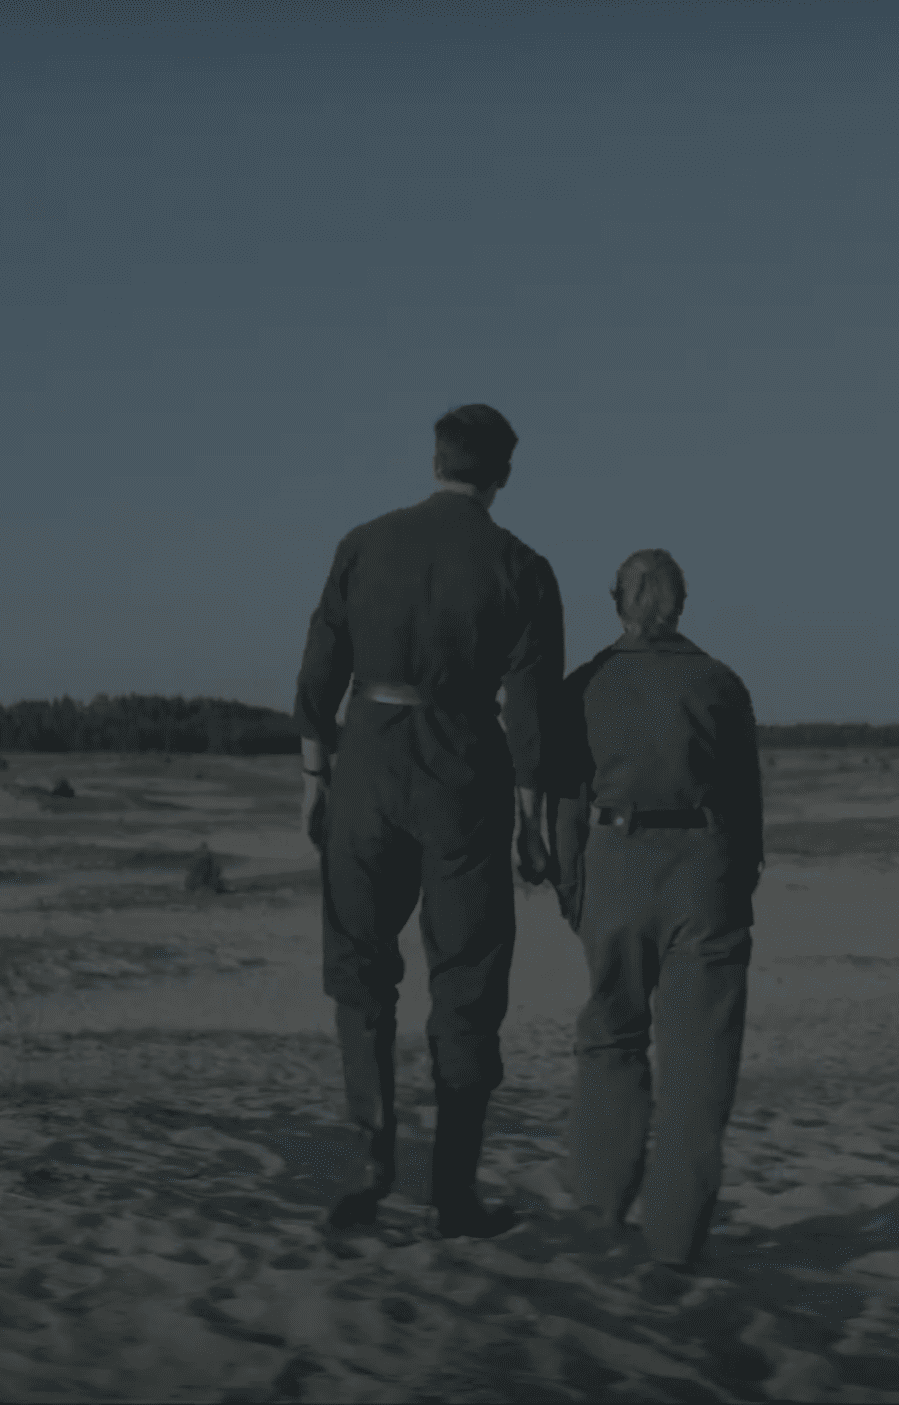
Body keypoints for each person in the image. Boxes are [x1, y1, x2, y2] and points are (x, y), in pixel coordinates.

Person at [294, 403, 564, 1241]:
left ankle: (372, 1156)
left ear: (435, 459)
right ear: (504, 474)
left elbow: (319, 666)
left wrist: (315, 773)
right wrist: (532, 816)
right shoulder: (522, 565)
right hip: (464, 775)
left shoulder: (363, 542)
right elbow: (531, 710)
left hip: (367, 764)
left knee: (360, 970)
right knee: (468, 984)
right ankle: (452, 1193)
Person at [549, 548, 763, 1272]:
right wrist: (735, 887)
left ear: (617, 602)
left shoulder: (585, 685)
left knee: (610, 1039)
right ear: (683, 604)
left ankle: (601, 1213)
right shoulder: (719, 682)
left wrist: (574, 889)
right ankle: (672, 1248)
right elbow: (744, 801)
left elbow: (567, 804)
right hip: (703, 872)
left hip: (612, 868)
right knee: (697, 1072)